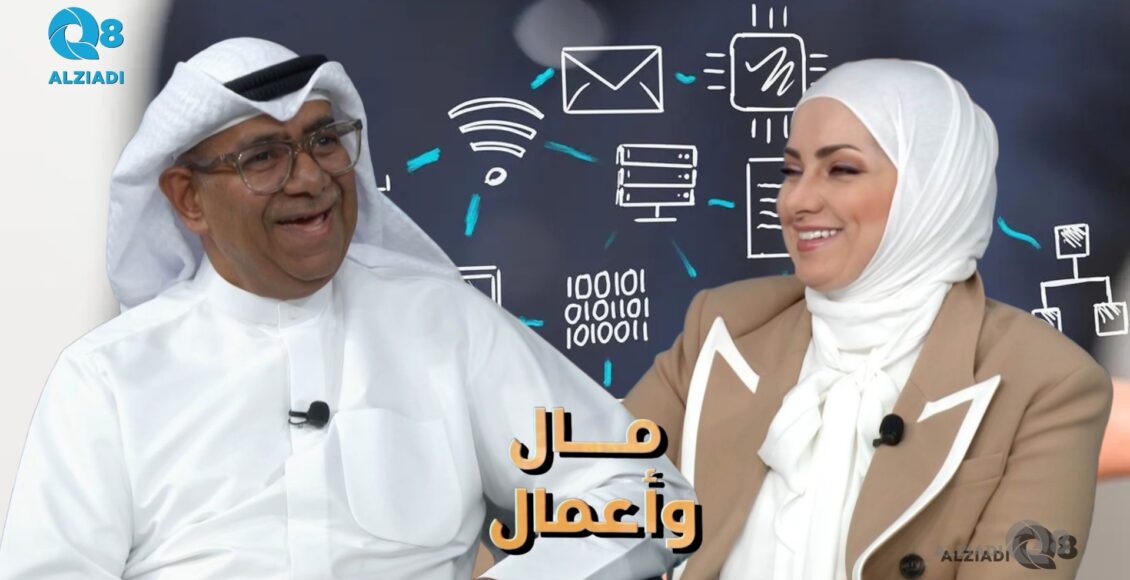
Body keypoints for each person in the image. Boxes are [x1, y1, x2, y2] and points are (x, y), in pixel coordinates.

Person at [0, 38, 692, 580]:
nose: (311, 178)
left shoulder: (444, 325)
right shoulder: (109, 377)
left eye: (323, 140)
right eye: (264, 157)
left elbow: (647, 496)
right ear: (188, 199)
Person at [624, 59, 1112, 579]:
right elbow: (591, 501)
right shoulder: (725, 326)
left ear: (932, 189)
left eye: (842, 170)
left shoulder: (1050, 382)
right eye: (791, 171)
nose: (795, 200)